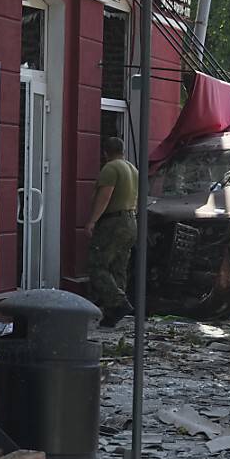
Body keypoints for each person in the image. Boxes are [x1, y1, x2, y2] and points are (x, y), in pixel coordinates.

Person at [86, 137, 139, 327]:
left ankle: (118, 303)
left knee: (97, 265)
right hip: (131, 220)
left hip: (113, 222)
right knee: (118, 267)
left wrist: (92, 220)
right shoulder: (132, 169)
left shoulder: (110, 168)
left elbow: (105, 195)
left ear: (105, 152)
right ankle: (112, 314)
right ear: (123, 150)